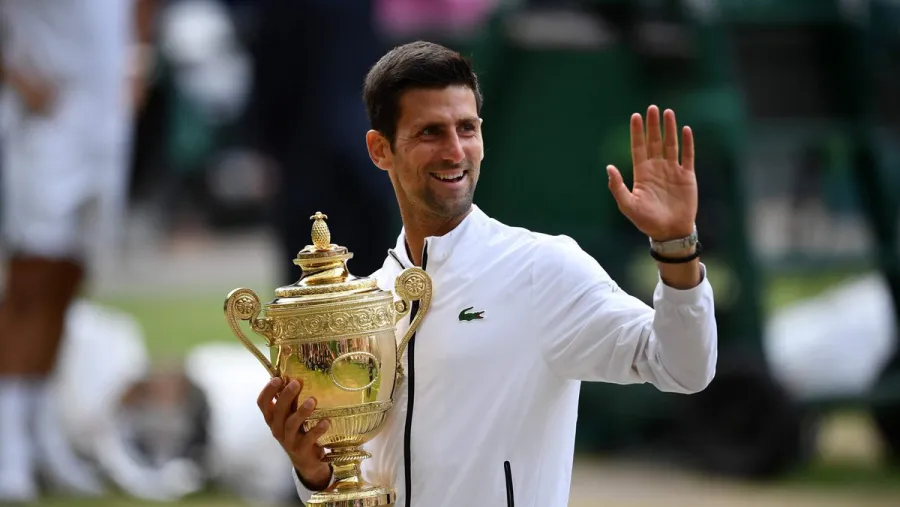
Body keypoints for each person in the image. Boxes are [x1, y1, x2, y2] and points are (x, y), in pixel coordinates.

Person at [256, 40, 718, 506]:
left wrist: (677, 249)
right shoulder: (366, 301)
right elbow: (366, 480)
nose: (455, 151)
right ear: (380, 150)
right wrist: (314, 473)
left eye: (467, 128)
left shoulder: (543, 269)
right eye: (431, 132)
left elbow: (683, 367)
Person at [0, 0, 155, 501]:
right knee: (30, 281)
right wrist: (16, 76)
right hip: (45, 119)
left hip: (104, 117)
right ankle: (8, 445)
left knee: (70, 276)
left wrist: (137, 59)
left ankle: (42, 433)